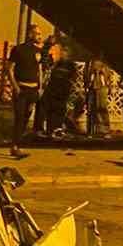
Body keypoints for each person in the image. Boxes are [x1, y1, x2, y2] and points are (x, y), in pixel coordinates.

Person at [7, 24, 42, 154]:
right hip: (21, 89)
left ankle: (17, 143)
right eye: (37, 34)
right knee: (19, 117)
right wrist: (15, 86)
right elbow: (10, 69)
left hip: (33, 90)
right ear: (30, 34)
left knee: (26, 118)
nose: (40, 36)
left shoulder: (38, 51)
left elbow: (39, 69)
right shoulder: (18, 49)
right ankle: (15, 146)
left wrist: (40, 87)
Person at [39, 42, 74, 137]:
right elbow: (50, 74)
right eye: (62, 52)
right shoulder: (57, 64)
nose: (63, 54)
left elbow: (72, 78)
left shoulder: (70, 65)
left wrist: (68, 90)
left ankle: (57, 128)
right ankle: (50, 129)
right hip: (53, 90)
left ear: (69, 54)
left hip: (63, 91)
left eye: (65, 52)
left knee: (60, 110)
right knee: (50, 109)